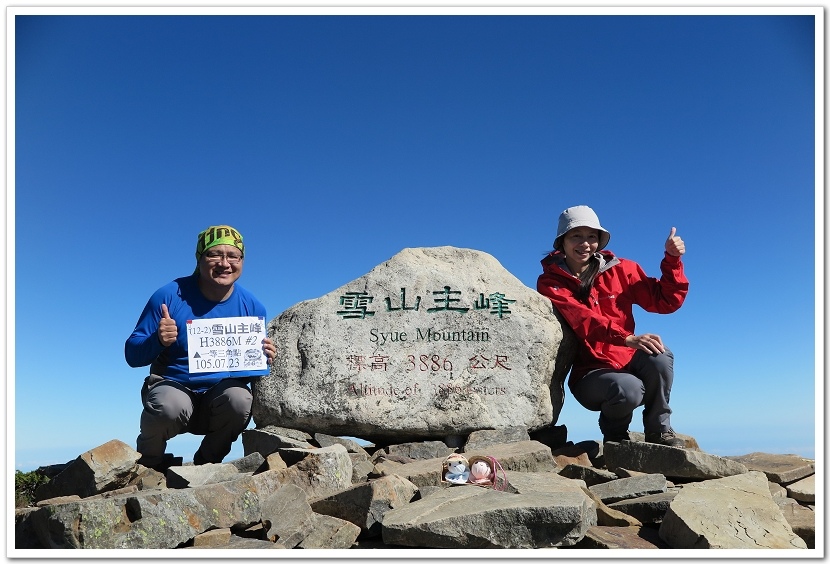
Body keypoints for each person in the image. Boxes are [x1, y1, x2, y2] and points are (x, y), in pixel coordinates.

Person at [125, 225, 277, 470]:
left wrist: (262, 358)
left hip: (216, 399)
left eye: (233, 256)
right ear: (199, 258)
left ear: (242, 260)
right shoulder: (169, 296)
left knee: (240, 400)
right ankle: (147, 466)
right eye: (214, 254)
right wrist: (158, 340)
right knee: (169, 405)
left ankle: (207, 467)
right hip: (172, 388)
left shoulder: (252, 307)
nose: (224, 263)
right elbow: (132, 354)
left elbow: (244, 376)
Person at [536, 205, 689, 447]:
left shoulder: (622, 270)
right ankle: (615, 436)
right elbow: (581, 318)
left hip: (626, 357)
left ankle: (659, 431)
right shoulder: (550, 282)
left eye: (592, 236)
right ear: (562, 241)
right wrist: (626, 337)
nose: (585, 243)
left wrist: (672, 261)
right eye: (576, 236)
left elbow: (665, 301)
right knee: (628, 389)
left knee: (660, 355)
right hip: (589, 372)